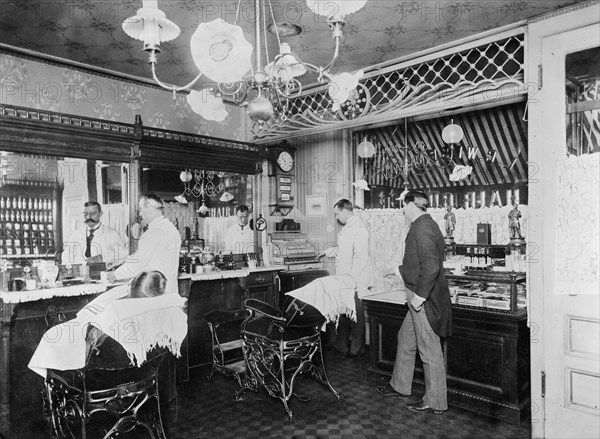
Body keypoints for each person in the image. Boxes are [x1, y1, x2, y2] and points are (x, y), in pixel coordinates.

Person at [377, 190, 452, 414]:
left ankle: (436, 401)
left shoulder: (423, 228)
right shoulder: (424, 225)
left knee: (429, 350)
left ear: (411, 204)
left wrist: (419, 298)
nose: (402, 210)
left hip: (423, 298)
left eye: (403, 205)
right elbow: (418, 263)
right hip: (417, 296)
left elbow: (431, 267)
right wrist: (397, 271)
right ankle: (400, 386)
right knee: (406, 338)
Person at [107, 194, 181, 295]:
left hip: (155, 291)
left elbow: (138, 262)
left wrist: (115, 275)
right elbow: (147, 255)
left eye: (141, 209)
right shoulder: (170, 228)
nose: (140, 214)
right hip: (168, 289)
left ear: (149, 209)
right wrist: (123, 260)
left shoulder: (156, 232)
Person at [330, 199, 373, 359]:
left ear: (345, 211)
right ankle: (341, 345)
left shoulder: (360, 229)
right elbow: (343, 251)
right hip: (345, 278)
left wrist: (351, 279)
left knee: (355, 314)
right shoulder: (347, 228)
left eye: (337, 214)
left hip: (354, 280)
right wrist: (328, 252)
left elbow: (360, 258)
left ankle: (357, 349)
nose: (336, 218)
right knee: (344, 312)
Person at [61, 201, 126, 266]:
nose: (88, 217)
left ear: (101, 214)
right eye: (85, 214)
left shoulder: (111, 234)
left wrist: (101, 258)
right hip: (81, 273)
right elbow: (66, 256)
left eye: (93, 213)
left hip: (104, 274)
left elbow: (123, 255)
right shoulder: (76, 235)